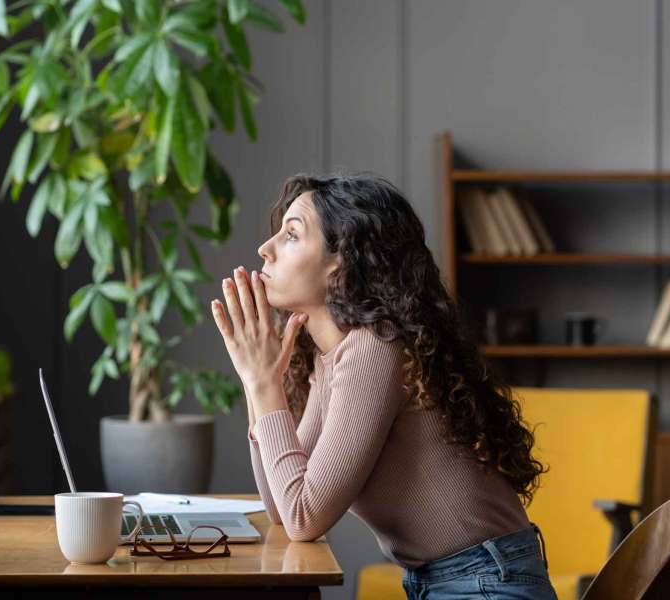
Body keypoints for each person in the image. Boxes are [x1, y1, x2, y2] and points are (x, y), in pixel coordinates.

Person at [211, 173, 558, 600]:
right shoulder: (335, 359)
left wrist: (265, 385)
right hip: (456, 581)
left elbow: (304, 516)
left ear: (341, 262)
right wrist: (256, 381)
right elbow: (282, 509)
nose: (266, 248)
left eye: (292, 234)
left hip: (485, 584)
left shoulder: (374, 347)